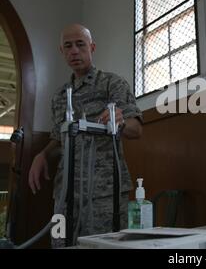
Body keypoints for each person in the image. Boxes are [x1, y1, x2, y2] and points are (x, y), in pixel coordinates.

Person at [28, 24, 143, 247]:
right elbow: (58, 138)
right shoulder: (60, 96)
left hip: (103, 193)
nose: (74, 51)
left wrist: (119, 122)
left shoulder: (112, 84)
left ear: (92, 47)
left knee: (101, 246)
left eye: (80, 44)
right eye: (68, 46)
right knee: (60, 242)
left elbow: (136, 129)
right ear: (61, 51)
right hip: (65, 193)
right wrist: (41, 155)